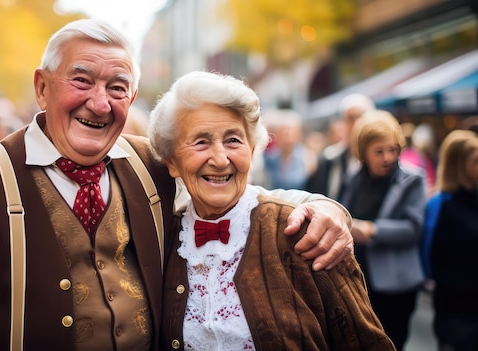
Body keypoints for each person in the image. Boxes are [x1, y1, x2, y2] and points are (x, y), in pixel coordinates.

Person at [0, 19, 353, 350]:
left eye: (117, 87)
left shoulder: (153, 162)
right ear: (42, 87)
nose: (99, 102)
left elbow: (233, 195)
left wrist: (324, 206)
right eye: (82, 80)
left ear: (131, 98)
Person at [150, 71, 394, 350]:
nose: (220, 159)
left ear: (253, 150)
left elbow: (366, 342)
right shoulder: (163, 238)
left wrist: (331, 207)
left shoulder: (308, 231)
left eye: (233, 140)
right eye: (201, 142)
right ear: (171, 162)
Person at [339, 110, 426, 350]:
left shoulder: (413, 179)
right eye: (379, 151)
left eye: (393, 149)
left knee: (392, 342)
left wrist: (372, 230)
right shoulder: (353, 177)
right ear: (363, 152)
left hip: (395, 284)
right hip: (358, 279)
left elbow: (413, 228)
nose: (387, 157)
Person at [422, 129, 478, 351]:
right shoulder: (439, 204)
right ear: (459, 164)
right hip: (455, 309)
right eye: (475, 161)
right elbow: (428, 257)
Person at [305, 93, 375, 200]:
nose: (356, 123)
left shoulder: (382, 157)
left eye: (360, 117)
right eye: (350, 118)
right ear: (343, 122)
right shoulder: (330, 158)